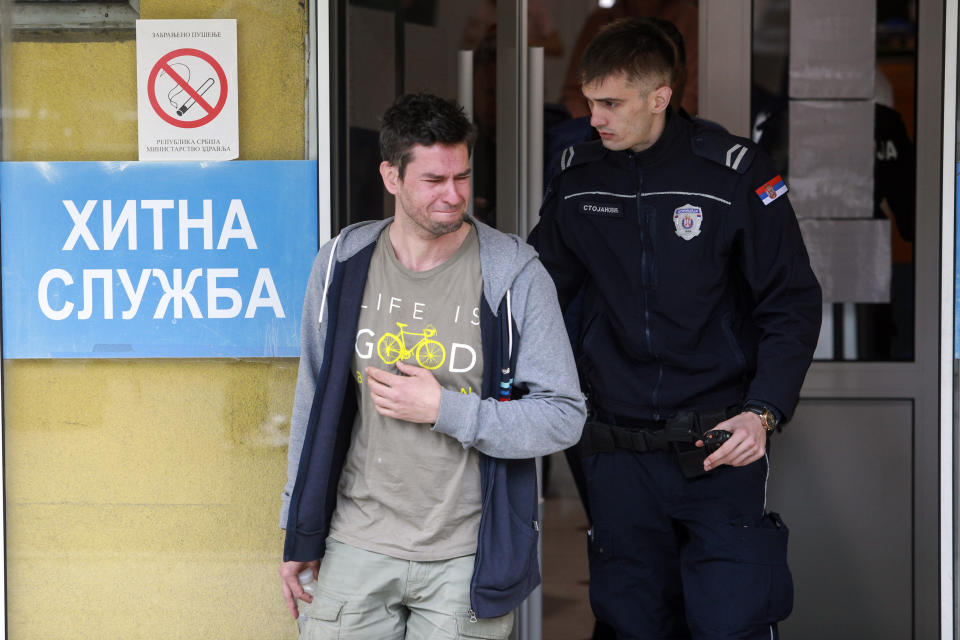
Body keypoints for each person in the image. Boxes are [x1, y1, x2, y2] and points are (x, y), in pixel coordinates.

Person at [530, 19, 822, 640]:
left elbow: (791, 302)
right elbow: (540, 290)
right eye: (589, 102)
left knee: (730, 622)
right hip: (616, 449)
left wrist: (763, 411)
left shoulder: (732, 173)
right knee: (632, 624)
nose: (594, 118)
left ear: (659, 97)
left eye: (610, 103)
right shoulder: (579, 176)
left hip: (717, 445)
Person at [278, 92, 586, 639]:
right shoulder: (341, 264)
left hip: (464, 553)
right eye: (433, 180)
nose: (454, 196)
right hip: (356, 541)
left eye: (462, 178)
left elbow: (563, 415)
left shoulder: (513, 274)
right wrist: (296, 529)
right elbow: (313, 400)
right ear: (391, 176)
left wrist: (447, 409)